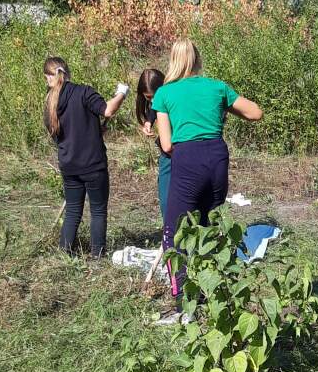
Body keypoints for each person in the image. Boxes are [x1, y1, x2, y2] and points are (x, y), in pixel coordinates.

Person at [151, 39, 262, 301]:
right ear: (198, 60)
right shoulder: (217, 87)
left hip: (186, 157)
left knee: (174, 230)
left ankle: (184, 297)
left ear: (173, 61)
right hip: (216, 156)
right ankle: (213, 291)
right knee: (209, 223)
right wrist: (223, 110)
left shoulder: (164, 94)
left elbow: (166, 144)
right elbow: (256, 113)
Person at [44, 56, 128, 257]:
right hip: (93, 165)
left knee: (73, 210)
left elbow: (59, 133)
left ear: (49, 78)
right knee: (98, 211)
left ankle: (64, 254)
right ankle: (97, 256)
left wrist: (94, 130)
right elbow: (108, 109)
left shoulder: (50, 102)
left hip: (69, 165)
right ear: (67, 72)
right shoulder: (84, 92)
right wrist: (121, 93)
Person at [136, 66, 171, 221]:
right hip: (167, 155)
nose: (153, 101)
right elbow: (154, 109)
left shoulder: (174, 95)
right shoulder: (156, 102)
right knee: (166, 200)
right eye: (149, 98)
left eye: (155, 96)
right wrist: (149, 121)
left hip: (182, 151)